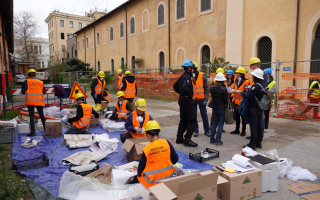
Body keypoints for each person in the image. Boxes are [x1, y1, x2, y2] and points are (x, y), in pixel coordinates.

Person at [135, 120, 178, 189]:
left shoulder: (147, 149)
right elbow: (175, 159)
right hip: (168, 179)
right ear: (158, 133)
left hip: (152, 184)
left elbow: (140, 170)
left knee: (138, 176)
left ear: (148, 135)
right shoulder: (166, 142)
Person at [173, 60, 198, 147]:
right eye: (192, 68)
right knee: (192, 119)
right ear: (189, 68)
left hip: (182, 100)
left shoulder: (182, 76)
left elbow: (175, 86)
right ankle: (187, 139)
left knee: (183, 120)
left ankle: (179, 138)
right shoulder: (187, 77)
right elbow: (185, 87)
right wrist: (189, 94)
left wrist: (181, 93)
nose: (193, 70)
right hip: (187, 101)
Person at [242, 69, 266, 150]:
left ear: (255, 77)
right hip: (260, 108)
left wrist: (243, 92)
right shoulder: (263, 84)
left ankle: (252, 144)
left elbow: (248, 96)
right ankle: (258, 143)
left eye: (253, 76)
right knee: (259, 126)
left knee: (253, 127)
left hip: (254, 108)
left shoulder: (256, 86)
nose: (252, 77)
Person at [21, 69, 46, 137]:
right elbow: (44, 92)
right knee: (41, 115)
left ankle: (33, 132)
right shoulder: (41, 82)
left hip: (30, 101)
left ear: (28, 75)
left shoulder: (26, 82)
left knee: (32, 116)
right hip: (39, 101)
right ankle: (46, 129)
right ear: (35, 74)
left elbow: (23, 92)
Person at [229, 67, 250, 136]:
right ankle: (237, 129)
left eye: (237, 73)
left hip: (241, 101)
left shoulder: (247, 82)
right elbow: (232, 87)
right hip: (235, 101)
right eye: (236, 73)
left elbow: (247, 91)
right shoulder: (235, 81)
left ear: (241, 74)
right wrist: (232, 90)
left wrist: (240, 91)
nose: (236, 74)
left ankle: (243, 131)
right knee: (237, 116)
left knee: (243, 116)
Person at [192, 62, 210, 137]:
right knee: (194, 116)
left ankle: (207, 130)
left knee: (204, 115)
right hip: (193, 99)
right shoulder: (190, 76)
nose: (194, 70)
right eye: (193, 68)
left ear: (197, 68)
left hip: (201, 99)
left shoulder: (202, 75)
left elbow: (206, 88)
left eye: (195, 68)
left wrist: (206, 99)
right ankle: (196, 130)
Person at [210, 73, 228, 145]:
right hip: (221, 108)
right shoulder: (224, 89)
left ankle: (212, 138)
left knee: (214, 124)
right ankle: (218, 140)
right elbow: (226, 100)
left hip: (214, 107)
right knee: (220, 125)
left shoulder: (212, 87)